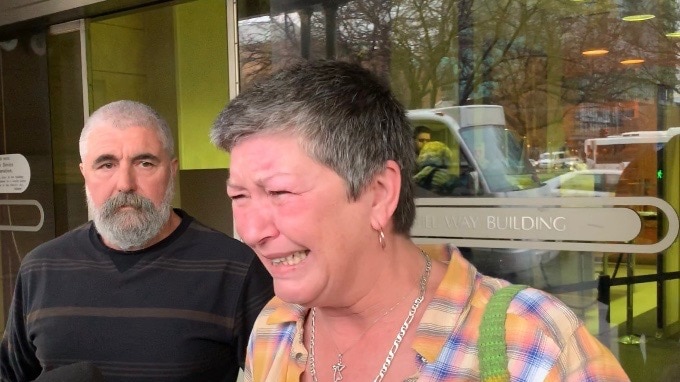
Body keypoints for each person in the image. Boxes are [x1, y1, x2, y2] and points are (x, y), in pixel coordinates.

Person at [210, 60, 629, 381]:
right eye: (238, 196)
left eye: (280, 193)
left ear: (378, 193)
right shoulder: (275, 329)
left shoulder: (529, 338)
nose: (251, 231)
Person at [1, 100, 274, 381]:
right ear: (85, 174)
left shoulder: (235, 269)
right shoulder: (41, 268)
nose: (125, 183)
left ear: (171, 170)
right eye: (106, 164)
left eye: (144, 163)